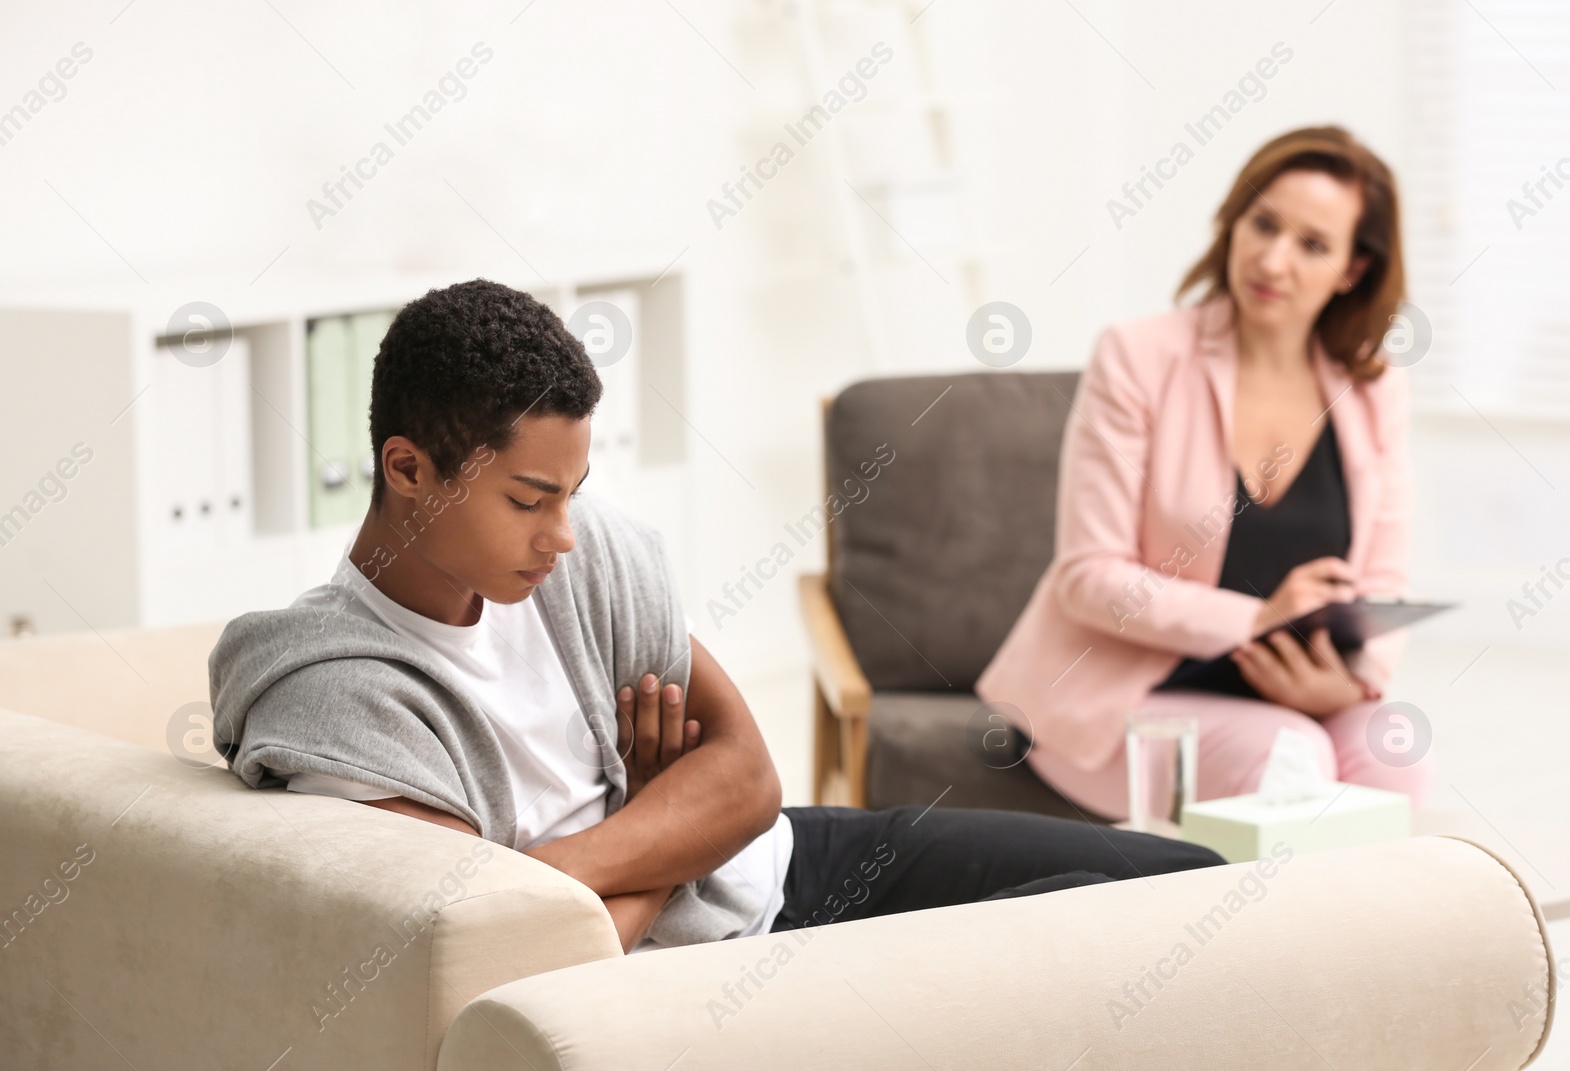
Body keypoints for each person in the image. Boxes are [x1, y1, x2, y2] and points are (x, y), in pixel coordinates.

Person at [208, 279, 1222, 955]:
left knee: (1190, 884)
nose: (563, 534)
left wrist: (613, 852)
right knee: (1080, 944)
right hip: (711, 963)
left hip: (788, 858)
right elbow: (492, 945)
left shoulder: (580, 558)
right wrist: (660, 833)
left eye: (572, 491)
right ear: (407, 469)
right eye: (528, 499)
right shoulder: (336, 695)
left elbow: (746, 779)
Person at [977, 126, 1432, 822]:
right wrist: (1258, 618)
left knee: (1393, 747)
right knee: (1289, 753)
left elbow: (1384, 583)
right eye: (1264, 224)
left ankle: (1385, 934)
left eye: (1312, 244)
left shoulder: (1371, 388)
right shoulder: (1138, 356)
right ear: (1233, 222)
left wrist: (1346, 685)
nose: (1273, 260)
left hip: (1295, 694)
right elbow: (1088, 574)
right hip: (1122, 694)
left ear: (1353, 269)